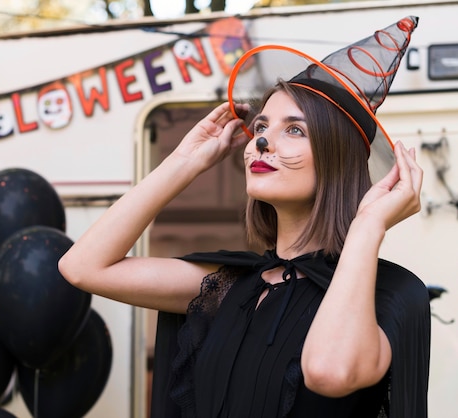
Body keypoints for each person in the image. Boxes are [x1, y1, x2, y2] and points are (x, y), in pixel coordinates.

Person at [58, 16, 430, 418]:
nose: (263, 141)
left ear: (336, 161)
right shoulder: (231, 285)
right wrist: (184, 162)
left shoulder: (389, 297)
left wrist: (367, 226)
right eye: (261, 126)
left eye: (295, 130)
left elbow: (327, 372)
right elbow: (82, 267)